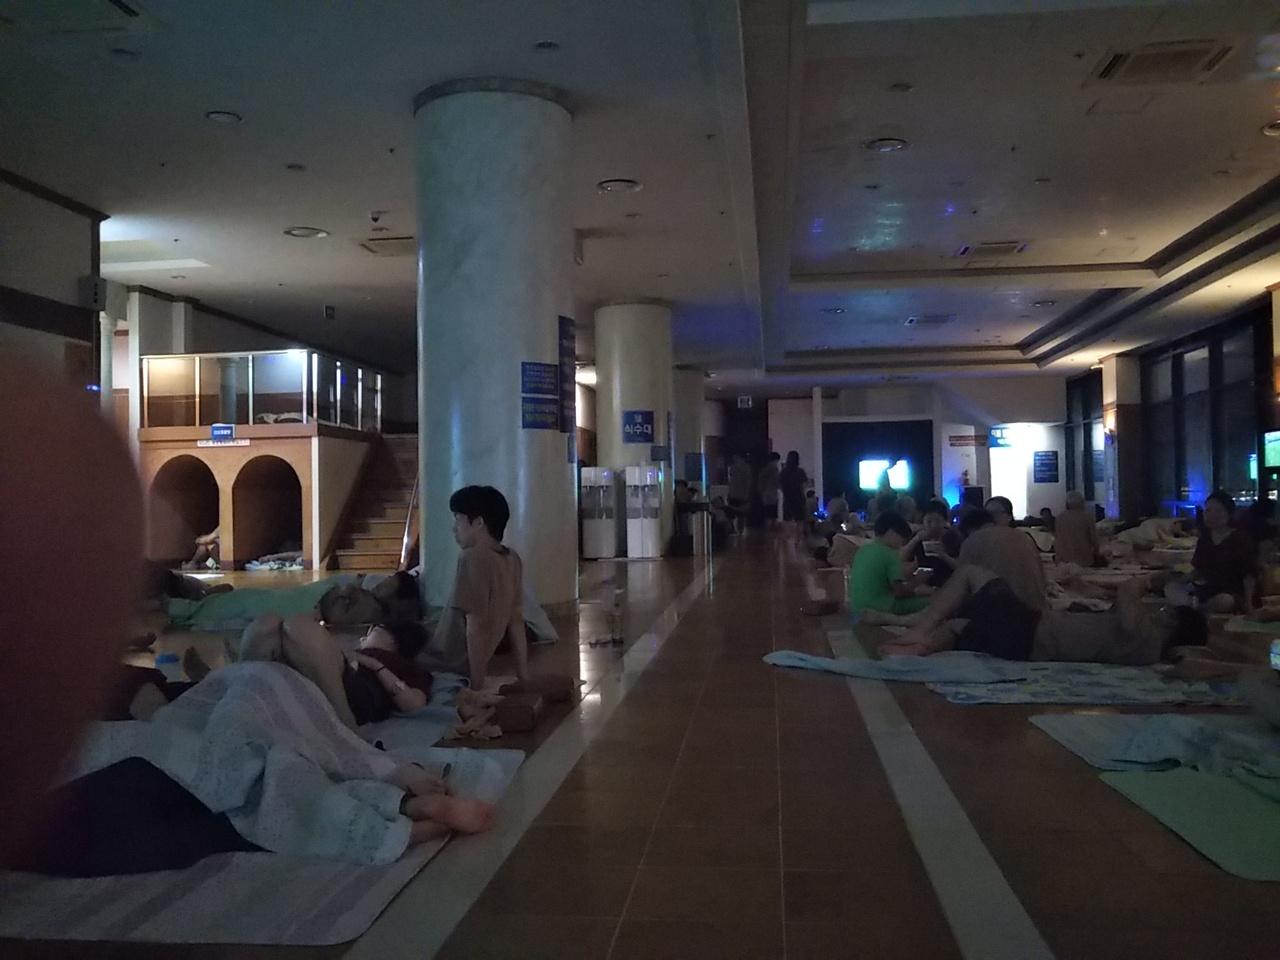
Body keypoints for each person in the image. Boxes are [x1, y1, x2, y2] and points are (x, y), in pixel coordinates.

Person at [879, 565, 1208, 665]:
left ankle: (919, 630)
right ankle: (919, 649)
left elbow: (1127, 595)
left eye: (1163, 610)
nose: (1157, 611)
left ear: (1172, 620)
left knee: (970, 574)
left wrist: (1147, 581)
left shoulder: (1147, 638)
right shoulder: (1144, 646)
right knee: (960, 626)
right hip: (1026, 643)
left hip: (1029, 630)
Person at [232, 615, 432, 729]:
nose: (365, 635)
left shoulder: (402, 665)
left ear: (392, 639)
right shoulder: (356, 651)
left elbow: (414, 704)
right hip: (327, 672)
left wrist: (375, 665)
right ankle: (237, 701)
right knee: (266, 626)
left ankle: (345, 724)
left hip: (357, 691)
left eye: (374, 629)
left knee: (298, 626)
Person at [422, 485, 529, 691]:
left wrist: (476, 687)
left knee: (380, 644)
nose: (454, 528)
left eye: (458, 520)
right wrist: (523, 677)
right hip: (456, 661)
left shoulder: (473, 556)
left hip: (443, 664)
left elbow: (476, 627)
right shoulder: (512, 559)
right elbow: (516, 621)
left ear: (478, 523)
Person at [848, 512, 933, 622]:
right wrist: (917, 580)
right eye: (902, 539)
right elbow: (899, 592)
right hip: (882, 608)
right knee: (932, 602)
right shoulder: (890, 554)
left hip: (857, 608)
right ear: (891, 532)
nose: (902, 545)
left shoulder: (863, 550)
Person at [958, 509, 1048, 611]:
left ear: (970, 529)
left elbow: (963, 585)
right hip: (1037, 609)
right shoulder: (1023, 536)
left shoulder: (972, 540)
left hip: (997, 612)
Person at [1191, 491, 1257, 613]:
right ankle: (1196, 606)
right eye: (1208, 511)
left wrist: (1249, 603)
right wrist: (1179, 579)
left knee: (1225, 601)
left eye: (1218, 511)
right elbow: (1198, 569)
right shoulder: (1204, 539)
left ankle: (1198, 609)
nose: (1212, 515)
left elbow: (1249, 573)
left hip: (1231, 591)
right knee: (1173, 588)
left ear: (1229, 513)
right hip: (1207, 588)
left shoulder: (1240, 539)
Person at [909, 499, 962, 588]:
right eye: (929, 521)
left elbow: (961, 567)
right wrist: (915, 539)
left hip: (948, 583)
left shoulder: (953, 536)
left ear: (945, 521)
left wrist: (943, 555)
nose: (933, 525)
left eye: (938, 521)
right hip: (923, 582)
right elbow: (901, 558)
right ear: (922, 521)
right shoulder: (918, 536)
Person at [1054, 491, 1099, 567]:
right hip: (1083, 560)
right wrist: (1097, 553)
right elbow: (1094, 540)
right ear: (1081, 503)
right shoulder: (1087, 517)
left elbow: (1057, 539)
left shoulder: (1059, 518)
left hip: (1063, 560)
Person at [779, 451, 808, 526]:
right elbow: (804, 485)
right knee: (800, 521)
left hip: (787, 499)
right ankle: (798, 534)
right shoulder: (800, 471)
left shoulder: (783, 472)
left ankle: (789, 534)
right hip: (799, 498)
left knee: (787, 522)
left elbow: (780, 485)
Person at [727, 454, 753, 534]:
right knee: (740, 514)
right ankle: (740, 531)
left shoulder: (733, 468)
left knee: (732, 513)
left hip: (734, 493)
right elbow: (748, 482)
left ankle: (733, 529)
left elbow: (731, 480)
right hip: (741, 494)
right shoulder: (747, 468)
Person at [758, 452, 781, 525]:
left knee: (767, 515)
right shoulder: (774, 468)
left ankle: (766, 530)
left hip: (765, 495)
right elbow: (776, 481)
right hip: (772, 495)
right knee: (771, 515)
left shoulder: (764, 469)